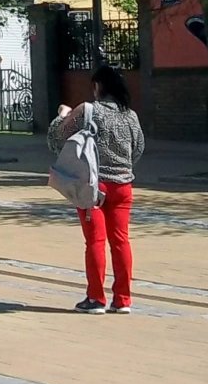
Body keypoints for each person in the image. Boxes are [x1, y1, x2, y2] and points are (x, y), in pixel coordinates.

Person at [47, 65, 146, 314]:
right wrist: (123, 168)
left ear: (99, 86)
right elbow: (139, 148)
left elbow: (56, 138)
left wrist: (62, 114)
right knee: (121, 241)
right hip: (124, 186)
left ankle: (96, 299)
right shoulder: (130, 115)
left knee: (95, 241)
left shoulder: (89, 110)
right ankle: (123, 299)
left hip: (94, 187)